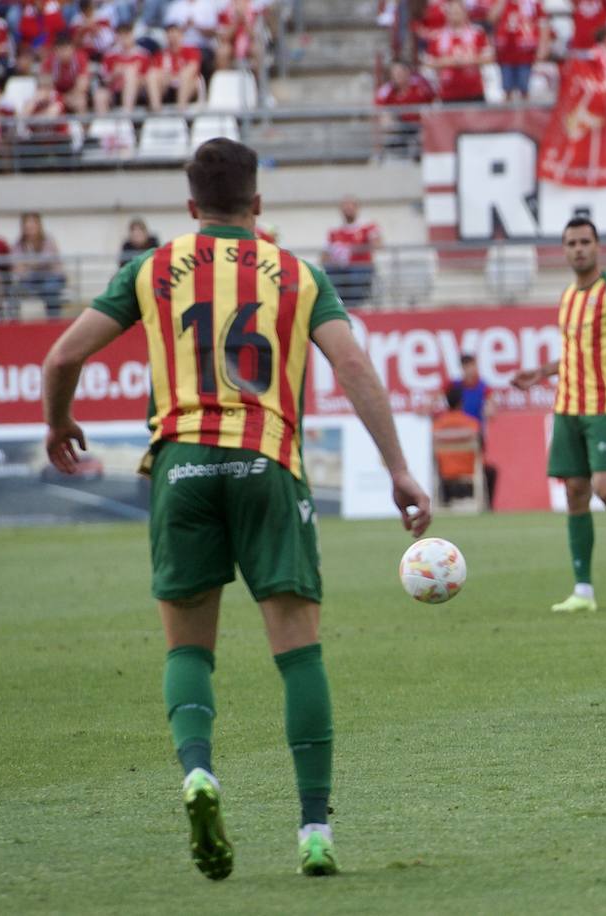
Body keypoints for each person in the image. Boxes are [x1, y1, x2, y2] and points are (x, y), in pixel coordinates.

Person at [39, 138, 433, 880]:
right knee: (299, 650)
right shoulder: (297, 272)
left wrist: (59, 423)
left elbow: (61, 358)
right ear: (259, 204)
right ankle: (314, 830)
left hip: (182, 464)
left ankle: (198, 773)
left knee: (189, 651)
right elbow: (351, 363)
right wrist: (399, 469)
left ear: (191, 207)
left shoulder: (153, 267)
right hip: (267, 465)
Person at [512, 216, 606, 613]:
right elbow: (576, 352)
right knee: (575, 494)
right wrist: (540, 373)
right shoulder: (567, 297)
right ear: (564, 250)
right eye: (571, 243)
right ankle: (584, 591)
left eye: (584, 242)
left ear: (597, 246)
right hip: (567, 409)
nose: (578, 248)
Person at [433, 382, 496, 508]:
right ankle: (488, 507)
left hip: (444, 472)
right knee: (491, 471)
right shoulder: (472, 423)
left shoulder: (437, 425)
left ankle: (445, 500)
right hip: (469, 470)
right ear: (461, 403)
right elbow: (480, 445)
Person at [422, 0, 492, 104]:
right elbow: (428, 62)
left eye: (458, 12)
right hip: (448, 93)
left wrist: (469, 60)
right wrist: (450, 62)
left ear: (465, 13)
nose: (455, 16)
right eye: (452, 12)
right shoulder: (437, 36)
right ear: (447, 14)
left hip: (474, 91)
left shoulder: (477, 33)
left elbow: (489, 57)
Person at [322, 196, 381, 308]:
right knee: (329, 274)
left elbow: (378, 244)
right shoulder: (334, 231)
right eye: (345, 207)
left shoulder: (367, 227)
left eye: (350, 207)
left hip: (360, 268)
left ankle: (352, 306)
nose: (348, 210)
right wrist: (336, 256)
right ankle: (339, 305)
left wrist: (351, 249)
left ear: (357, 208)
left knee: (355, 277)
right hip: (339, 269)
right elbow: (324, 255)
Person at [489, 0, 549, 101]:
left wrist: (543, 47)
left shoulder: (533, 3)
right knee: (506, 89)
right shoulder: (503, 3)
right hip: (505, 54)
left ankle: (526, 114)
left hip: (526, 54)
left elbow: (543, 25)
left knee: (524, 88)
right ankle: (507, 114)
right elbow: (491, 18)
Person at [15, 211, 66, 318]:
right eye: (27, 224)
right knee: (14, 290)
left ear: (39, 225)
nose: (30, 226)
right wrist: (34, 264)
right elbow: (18, 268)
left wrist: (30, 263)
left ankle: (53, 321)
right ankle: (12, 321)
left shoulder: (48, 240)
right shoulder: (19, 244)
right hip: (30, 279)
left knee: (51, 289)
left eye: (33, 223)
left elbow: (49, 261)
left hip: (50, 277)